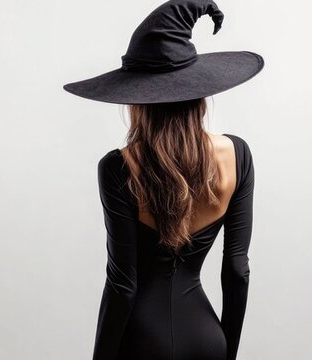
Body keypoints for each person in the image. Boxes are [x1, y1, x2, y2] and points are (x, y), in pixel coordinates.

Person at [62, 1, 262, 359]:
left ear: (137, 100)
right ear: (199, 94)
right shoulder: (237, 156)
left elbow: (122, 285)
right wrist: (226, 350)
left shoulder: (119, 168)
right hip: (207, 337)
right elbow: (237, 270)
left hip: (140, 342)